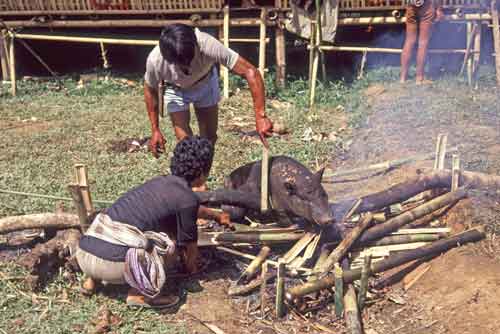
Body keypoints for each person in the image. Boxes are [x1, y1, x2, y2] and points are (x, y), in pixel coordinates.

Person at [76, 136, 213, 308]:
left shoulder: (158, 183)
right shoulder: (187, 199)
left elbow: (188, 208)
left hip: (84, 253)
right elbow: (190, 245)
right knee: (169, 247)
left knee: (119, 231)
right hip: (113, 266)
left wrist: (216, 215)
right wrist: (191, 269)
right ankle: (139, 295)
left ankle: (91, 281)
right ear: (202, 172)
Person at [144, 23, 273, 165]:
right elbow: (150, 90)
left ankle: (202, 174)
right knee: (186, 144)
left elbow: (250, 72)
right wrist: (155, 130)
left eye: (189, 60)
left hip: (205, 84)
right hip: (176, 90)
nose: (187, 68)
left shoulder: (206, 44)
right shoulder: (155, 60)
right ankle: (194, 182)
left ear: (195, 45)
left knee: (209, 138)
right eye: (180, 64)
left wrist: (261, 116)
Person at [400, 0, 444, 84]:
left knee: (409, 40)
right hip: (427, 5)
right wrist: (439, 9)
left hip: (411, 5)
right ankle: (419, 78)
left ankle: (403, 77)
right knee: (423, 43)